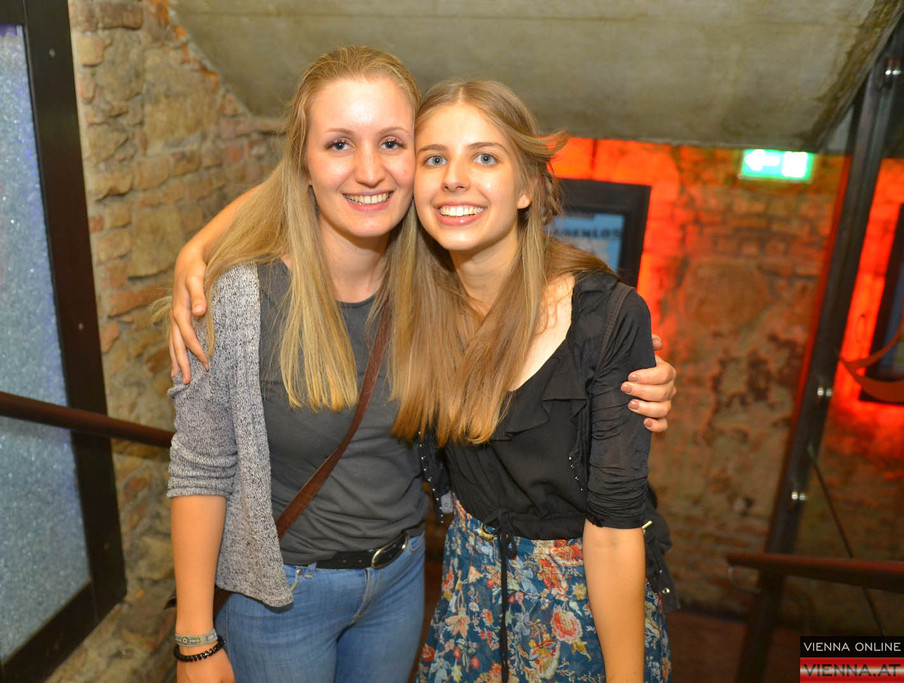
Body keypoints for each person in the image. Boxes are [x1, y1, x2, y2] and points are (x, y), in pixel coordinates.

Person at [166, 47, 676, 683]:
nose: (370, 169)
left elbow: (603, 493)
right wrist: (195, 638)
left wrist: (622, 369)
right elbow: (202, 464)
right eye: (339, 144)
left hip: (413, 586)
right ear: (304, 160)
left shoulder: (428, 279)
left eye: (392, 144)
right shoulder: (267, 297)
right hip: (298, 599)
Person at [392, 79, 672, 683]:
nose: (454, 178)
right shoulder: (413, 297)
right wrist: (194, 255)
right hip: (466, 614)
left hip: (582, 620)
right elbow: (316, 190)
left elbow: (614, 532)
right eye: (434, 158)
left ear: (526, 188)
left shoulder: (603, 317)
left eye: (484, 157)